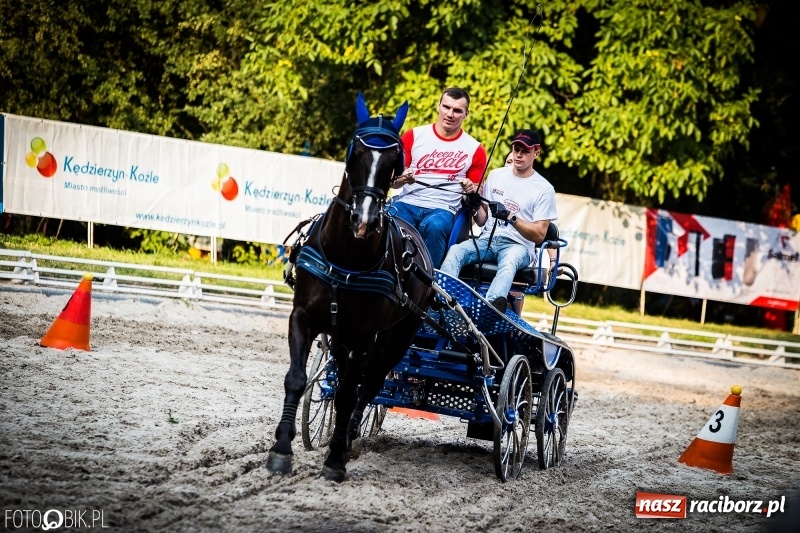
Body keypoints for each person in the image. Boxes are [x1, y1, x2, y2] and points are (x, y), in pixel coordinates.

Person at [440, 129, 557, 313]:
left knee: (509, 261)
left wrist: (511, 218)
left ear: (536, 152)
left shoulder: (544, 189)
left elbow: (540, 234)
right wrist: (475, 204)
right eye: (516, 149)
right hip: (487, 240)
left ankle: (492, 306)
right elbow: (482, 220)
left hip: (519, 246)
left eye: (525, 151)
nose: (519, 155)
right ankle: (442, 300)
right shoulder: (496, 175)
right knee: (456, 250)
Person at [391, 87, 487, 268]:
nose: (450, 114)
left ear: (466, 114)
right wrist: (404, 178)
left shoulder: (475, 149)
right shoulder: (413, 135)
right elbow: (393, 184)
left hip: (443, 209)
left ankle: (427, 283)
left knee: (434, 226)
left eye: (457, 110)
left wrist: (470, 190)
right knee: (388, 218)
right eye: (446, 107)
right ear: (438, 106)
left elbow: (476, 196)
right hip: (407, 202)